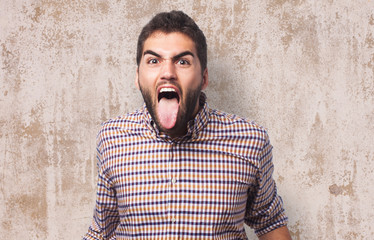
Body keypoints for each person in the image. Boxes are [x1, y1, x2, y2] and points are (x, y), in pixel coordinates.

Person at [84, 10, 292, 240]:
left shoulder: (250, 140)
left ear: (203, 78)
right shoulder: (112, 137)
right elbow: (101, 230)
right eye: (153, 61)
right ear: (137, 76)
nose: (167, 73)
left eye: (182, 61)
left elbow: (270, 222)